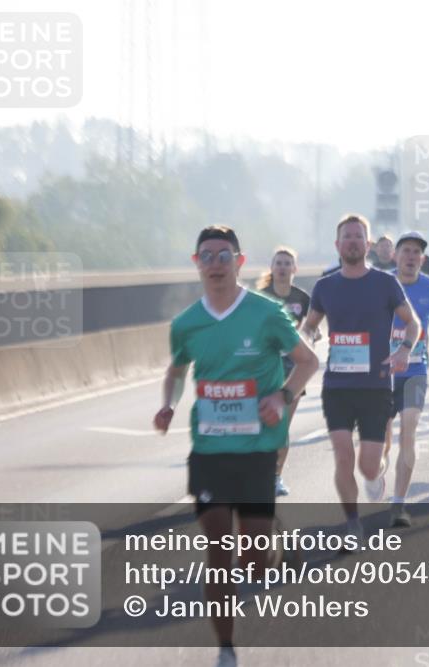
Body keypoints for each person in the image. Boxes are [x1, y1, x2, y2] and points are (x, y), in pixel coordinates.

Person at [154, 225, 318, 667]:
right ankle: (226, 648)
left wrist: (281, 397)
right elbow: (175, 371)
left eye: (224, 256)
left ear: (240, 262)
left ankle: (277, 547)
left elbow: (308, 361)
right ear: (196, 264)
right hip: (208, 450)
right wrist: (168, 406)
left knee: (255, 561)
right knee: (217, 548)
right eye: (206, 256)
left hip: (256, 450)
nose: (215, 264)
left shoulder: (265, 314)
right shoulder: (186, 323)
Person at [301, 214, 419, 543]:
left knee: (368, 466)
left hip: (375, 385)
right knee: (342, 455)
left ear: (367, 245)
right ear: (337, 245)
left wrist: (404, 350)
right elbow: (309, 326)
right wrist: (308, 338)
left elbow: (413, 323)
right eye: (346, 237)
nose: (352, 242)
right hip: (337, 386)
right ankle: (352, 521)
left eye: (358, 237)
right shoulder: (325, 286)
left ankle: (377, 470)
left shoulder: (385, 283)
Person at [384, 231, 429, 527]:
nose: (411, 257)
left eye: (416, 253)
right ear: (395, 256)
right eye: (406, 251)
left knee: (408, 431)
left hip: (415, 369)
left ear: (422, 259)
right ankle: (378, 470)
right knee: (382, 441)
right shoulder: (380, 283)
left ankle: (399, 504)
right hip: (382, 372)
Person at [256, 247, 312, 497]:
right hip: (264, 369)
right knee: (259, 424)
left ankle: (275, 477)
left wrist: (311, 335)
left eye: (287, 263)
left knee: (281, 426)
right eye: (278, 262)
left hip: (294, 370)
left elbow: (310, 329)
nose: (282, 267)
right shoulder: (259, 297)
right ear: (272, 267)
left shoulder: (302, 298)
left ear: (294, 269)